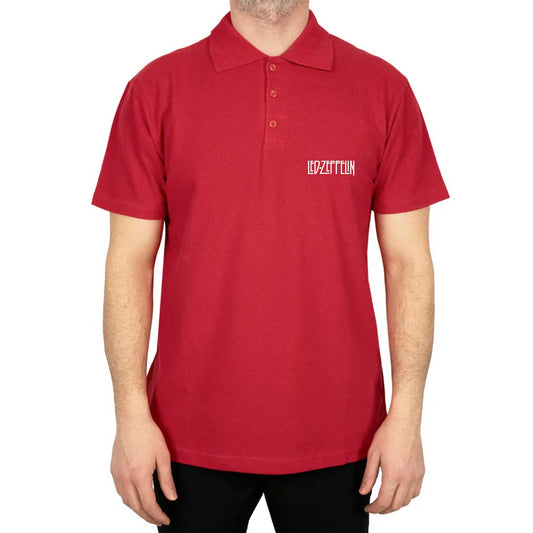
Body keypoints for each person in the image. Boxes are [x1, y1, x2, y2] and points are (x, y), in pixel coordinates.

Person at [91, 0, 450, 531]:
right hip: (182, 437)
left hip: (342, 437)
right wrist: (130, 418)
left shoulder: (383, 89)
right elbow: (129, 262)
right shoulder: (156, 89)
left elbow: (408, 265)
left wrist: (407, 417)